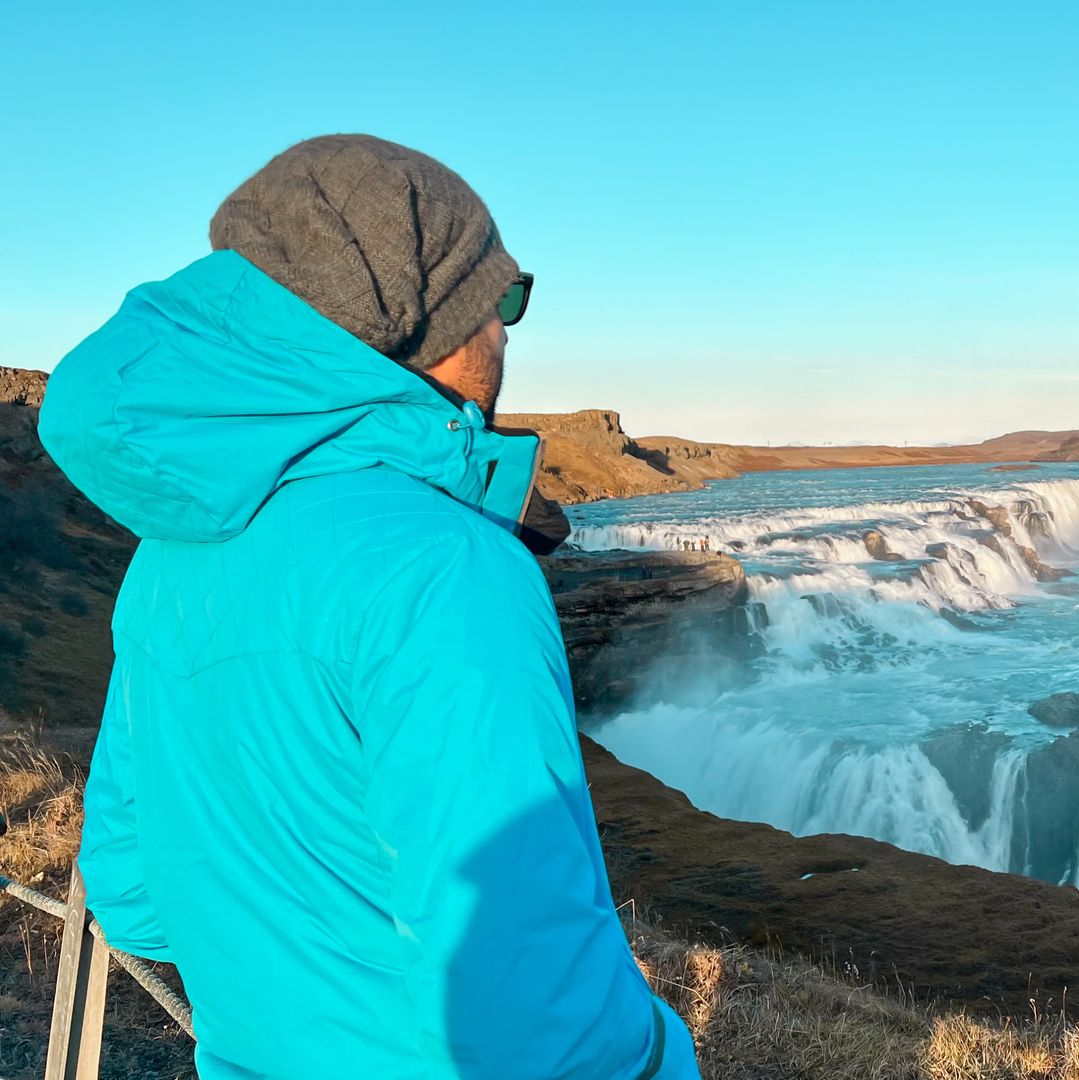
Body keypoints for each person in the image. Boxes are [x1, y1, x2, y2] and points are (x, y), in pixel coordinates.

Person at [38, 135, 699, 1079]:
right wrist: (656, 1047)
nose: (508, 334)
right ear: (425, 324)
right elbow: (536, 1024)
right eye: (501, 301)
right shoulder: (446, 569)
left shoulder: (171, 556)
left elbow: (132, 885)